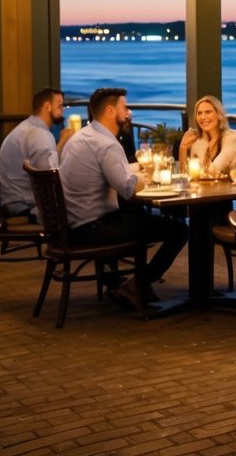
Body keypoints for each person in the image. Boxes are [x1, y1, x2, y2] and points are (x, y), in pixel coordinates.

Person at [59, 87, 189, 307]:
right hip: (92, 228)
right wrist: (150, 175)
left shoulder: (84, 136)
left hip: (73, 223)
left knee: (142, 220)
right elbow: (128, 189)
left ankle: (132, 284)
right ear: (110, 111)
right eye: (124, 107)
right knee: (178, 230)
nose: (128, 112)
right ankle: (135, 286)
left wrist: (140, 167)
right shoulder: (107, 144)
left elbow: (115, 172)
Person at [0, 87, 74, 217]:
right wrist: (63, 143)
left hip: (11, 199)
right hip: (23, 205)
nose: (63, 110)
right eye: (60, 106)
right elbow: (49, 177)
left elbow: (46, 167)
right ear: (47, 106)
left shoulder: (29, 127)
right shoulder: (39, 135)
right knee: (81, 211)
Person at [178, 95, 236, 177]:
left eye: (208, 112)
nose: (203, 117)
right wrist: (183, 148)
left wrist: (197, 175)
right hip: (205, 189)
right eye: (199, 113)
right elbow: (186, 177)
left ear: (218, 114)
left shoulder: (233, 137)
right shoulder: (198, 143)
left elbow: (216, 168)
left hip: (233, 189)